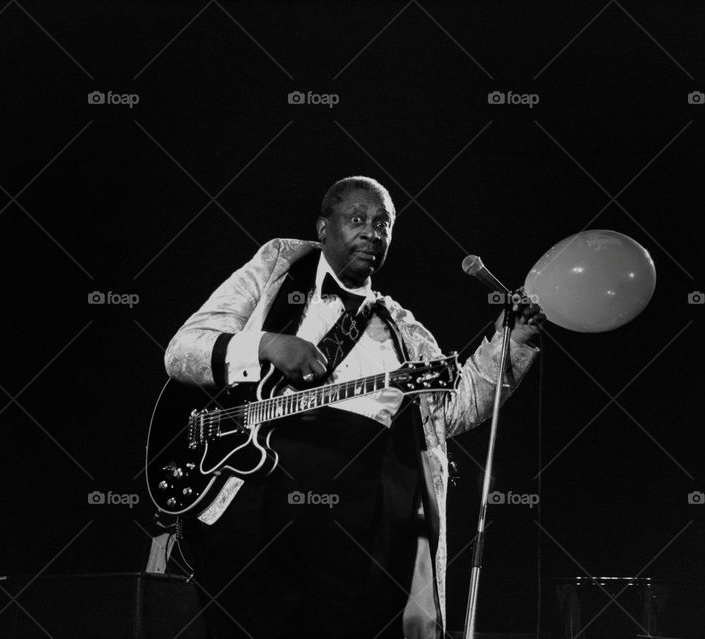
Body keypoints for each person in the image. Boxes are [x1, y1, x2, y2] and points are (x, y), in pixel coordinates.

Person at [163, 176, 543, 638]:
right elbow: (183, 351)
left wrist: (512, 342)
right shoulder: (279, 269)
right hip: (257, 502)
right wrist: (268, 344)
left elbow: (452, 411)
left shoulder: (404, 330)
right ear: (323, 227)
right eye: (357, 219)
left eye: (383, 224)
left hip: (362, 521)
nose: (371, 233)